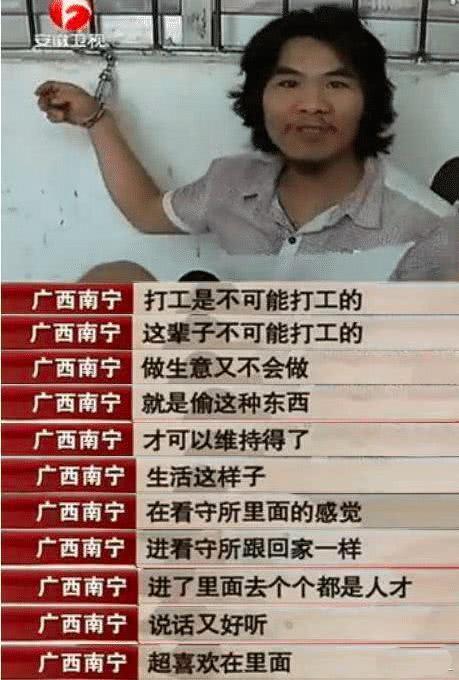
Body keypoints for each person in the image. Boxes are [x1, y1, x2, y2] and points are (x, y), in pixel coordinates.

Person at [35, 4, 458, 281]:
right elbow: (146, 211)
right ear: (260, 99)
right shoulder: (231, 183)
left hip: (351, 388)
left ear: (369, 102)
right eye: (289, 83)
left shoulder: (430, 228)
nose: (312, 104)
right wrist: (96, 119)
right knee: (113, 280)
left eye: (336, 84)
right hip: (232, 377)